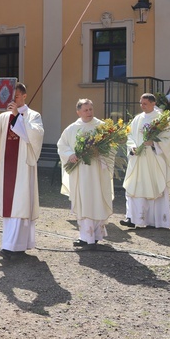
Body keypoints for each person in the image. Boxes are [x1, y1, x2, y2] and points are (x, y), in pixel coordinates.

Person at [0, 82, 44, 257]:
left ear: (24, 96)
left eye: (16, 97)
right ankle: (10, 244)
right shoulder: (3, 117)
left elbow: (35, 135)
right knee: (9, 205)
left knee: (20, 203)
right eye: (11, 97)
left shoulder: (32, 115)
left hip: (23, 167)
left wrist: (18, 116)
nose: (13, 100)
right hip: (5, 167)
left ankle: (14, 247)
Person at [57, 99, 115, 247]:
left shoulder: (101, 127)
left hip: (97, 171)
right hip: (80, 172)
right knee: (84, 200)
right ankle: (85, 236)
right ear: (78, 112)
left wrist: (100, 152)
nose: (89, 112)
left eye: (90, 109)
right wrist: (71, 154)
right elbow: (62, 145)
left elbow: (111, 147)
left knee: (97, 198)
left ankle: (96, 234)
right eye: (85, 110)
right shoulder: (72, 129)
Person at [121, 93, 170, 229]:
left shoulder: (161, 119)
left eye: (145, 103)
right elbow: (130, 136)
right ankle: (133, 218)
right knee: (135, 185)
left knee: (155, 185)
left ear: (153, 103)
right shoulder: (137, 118)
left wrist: (154, 143)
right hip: (138, 159)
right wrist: (132, 147)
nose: (142, 106)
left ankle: (156, 220)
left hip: (154, 159)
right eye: (141, 103)